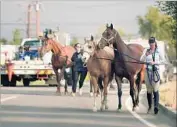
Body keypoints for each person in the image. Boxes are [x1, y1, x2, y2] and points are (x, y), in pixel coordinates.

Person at [140, 37, 166, 114]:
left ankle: (156, 107)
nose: (152, 45)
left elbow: (163, 60)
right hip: (148, 72)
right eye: (150, 44)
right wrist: (145, 55)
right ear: (149, 44)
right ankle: (150, 106)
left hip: (155, 72)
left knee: (155, 89)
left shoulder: (158, 51)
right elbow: (141, 60)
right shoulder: (146, 51)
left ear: (155, 43)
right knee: (149, 90)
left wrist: (155, 62)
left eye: (153, 44)